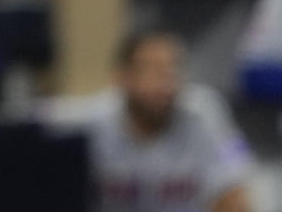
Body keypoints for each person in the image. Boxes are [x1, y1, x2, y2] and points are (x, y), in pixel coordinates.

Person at [71, 28, 255, 212]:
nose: (164, 83)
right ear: (122, 77)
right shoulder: (89, 123)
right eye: (152, 70)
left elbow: (234, 193)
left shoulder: (205, 114)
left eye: (171, 70)